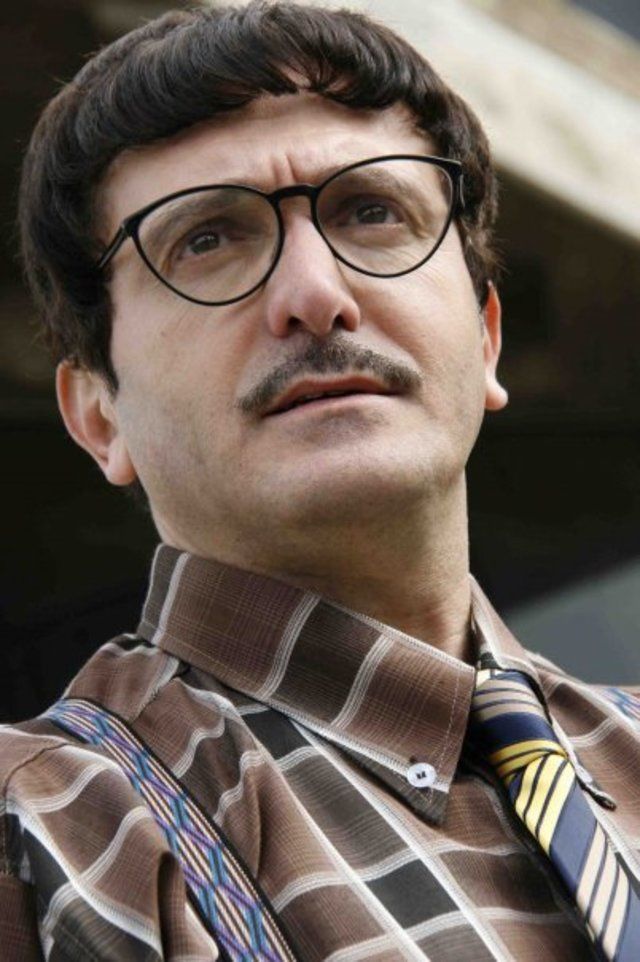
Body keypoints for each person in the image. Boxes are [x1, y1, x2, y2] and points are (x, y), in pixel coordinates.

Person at [2, 2, 639, 960]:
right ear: (99, 415)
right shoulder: (46, 841)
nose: (314, 295)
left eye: (371, 212)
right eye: (207, 239)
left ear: (486, 337)